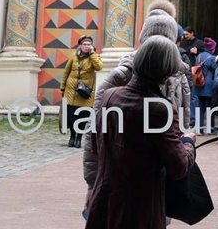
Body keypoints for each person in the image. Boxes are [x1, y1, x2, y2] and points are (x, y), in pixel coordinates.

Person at [84, 36, 197, 229]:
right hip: (139, 208)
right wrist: (188, 142)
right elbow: (178, 167)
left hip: (105, 199)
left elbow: (95, 144)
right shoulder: (161, 110)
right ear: (167, 71)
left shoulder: (109, 96)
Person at [83, 5, 188, 195]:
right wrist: (93, 180)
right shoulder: (121, 76)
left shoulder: (177, 76)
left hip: (156, 175)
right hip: (122, 175)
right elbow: (95, 129)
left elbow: (182, 116)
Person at [61, 35, 103, 148]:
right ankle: (72, 136)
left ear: (92, 46)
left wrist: (92, 54)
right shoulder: (73, 56)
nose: (86, 46)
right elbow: (66, 72)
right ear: (80, 45)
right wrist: (62, 87)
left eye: (89, 44)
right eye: (84, 44)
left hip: (85, 92)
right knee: (71, 116)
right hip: (71, 91)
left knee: (82, 116)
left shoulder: (95, 56)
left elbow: (99, 67)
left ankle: (79, 138)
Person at [193, 37, 217, 132]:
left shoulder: (199, 56)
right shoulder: (212, 58)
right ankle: (210, 128)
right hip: (209, 86)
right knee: (210, 107)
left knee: (200, 106)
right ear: (212, 48)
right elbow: (215, 70)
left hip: (199, 84)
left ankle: (199, 128)